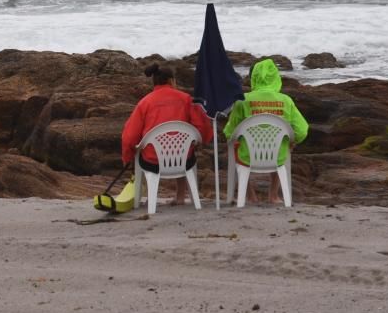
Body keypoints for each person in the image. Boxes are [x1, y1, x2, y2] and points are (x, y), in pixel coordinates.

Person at [121, 63, 214, 206]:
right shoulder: (186, 99)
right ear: (171, 81)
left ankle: (146, 198)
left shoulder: (145, 103)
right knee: (184, 146)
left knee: (143, 151)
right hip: (183, 160)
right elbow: (202, 125)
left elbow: (130, 136)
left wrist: (127, 157)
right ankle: (181, 196)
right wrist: (200, 141)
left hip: (153, 161)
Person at [223, 58, 308, 204]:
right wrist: (294, 141)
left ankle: (250, 196)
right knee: (283, 144)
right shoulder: (286, 101)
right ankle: (273, 195)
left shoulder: (243, 100)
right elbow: (302, 130)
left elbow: (229, 132)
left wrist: (234, 138)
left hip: (248, 155)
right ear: (276, 77)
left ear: (254, 77)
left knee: (236, 146)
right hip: (277, 156)